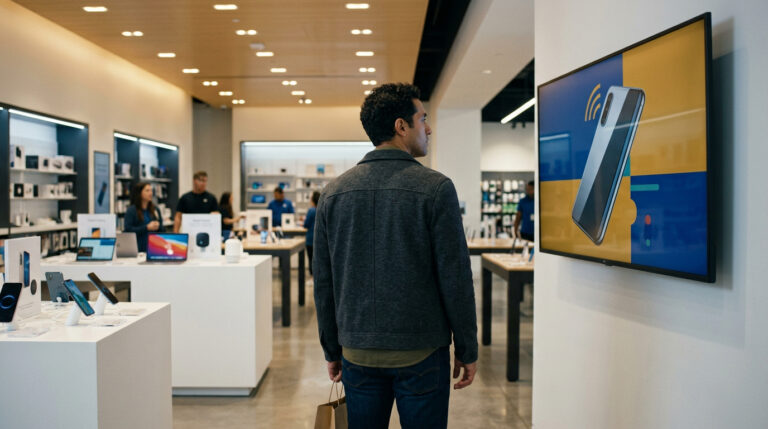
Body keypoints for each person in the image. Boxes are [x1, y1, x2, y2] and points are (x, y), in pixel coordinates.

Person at [313, 83, 478, 429]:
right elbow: (455, 277)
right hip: (422, 352)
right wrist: (466, 348)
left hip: (357, 350)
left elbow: (324, 282)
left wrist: (332, 348)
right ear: (401, 126)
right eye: (423, 119)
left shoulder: (332, 193)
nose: (428, 129)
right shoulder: (436, 188)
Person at [123, 182, 163, 252]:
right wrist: (146, 228)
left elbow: (162, 230)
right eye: (147, 190)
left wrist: (158, 226)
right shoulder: (131, 210)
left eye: (151, 190)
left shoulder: (155, 209)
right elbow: (128, 230)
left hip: (154, 248)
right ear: (139, 193)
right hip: (137, 249)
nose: (150, 193)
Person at [303, 191, 320, 275]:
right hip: (320, 239)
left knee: (311, 259)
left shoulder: (311, 210)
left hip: (310, 239)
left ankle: (312, 277)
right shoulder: (321, 209)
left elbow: (306, 224)